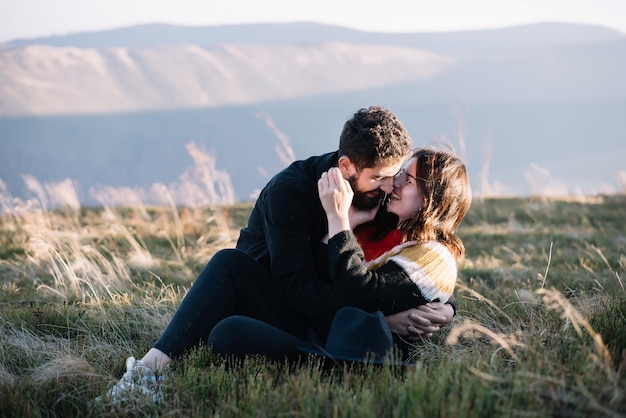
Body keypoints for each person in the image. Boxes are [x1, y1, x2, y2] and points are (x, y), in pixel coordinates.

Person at [98, 107, 454, 403]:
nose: (389, 186)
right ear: (346, 167)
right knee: (228, 274)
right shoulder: (292, 193)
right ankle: (147, 373)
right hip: (275, 303)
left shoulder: (381, 201)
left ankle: (325, 360)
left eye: (394, 177)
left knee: (229, 335)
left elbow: (424, 265)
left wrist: (448, 308)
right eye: (379, 177)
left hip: (330, 322)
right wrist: (382, 317)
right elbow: (297, 290)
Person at [207, 147, 472, 361]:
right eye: (400, 172)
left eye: (409, 180)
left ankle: (312, 364)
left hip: (352, 352)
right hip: (316, 326)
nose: (394, 183)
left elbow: (364, 292)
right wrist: (351, 222)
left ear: (432, 200)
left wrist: (339, 221)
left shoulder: (431, 255)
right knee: (227, 316)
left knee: (229, 332)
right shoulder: (379, 223)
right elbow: (321, 282)